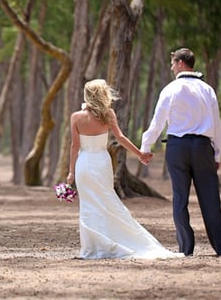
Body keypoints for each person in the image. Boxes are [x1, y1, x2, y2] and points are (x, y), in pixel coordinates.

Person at [66, 79, 184, 260]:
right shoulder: (108, 114)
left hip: (84, 162)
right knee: (106, 199)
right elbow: (120, 138)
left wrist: (71, 172)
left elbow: (75, 146)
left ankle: (94, 246)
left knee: (90, 203)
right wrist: (139, 154)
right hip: (101, 161)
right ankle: (109, 240)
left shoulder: (76, 117)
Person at [140, 48, 221, 257]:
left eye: (172, 63)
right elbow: (216, 125)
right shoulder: (208, 90)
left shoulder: (170, 89)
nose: (171, 67)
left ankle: (186, 248)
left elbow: (157, 122)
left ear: (181, 63)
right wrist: (217, 154)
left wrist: (146, 147)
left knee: (180, 198)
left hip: (177, 148)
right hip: (202, 148)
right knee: (210, 199)